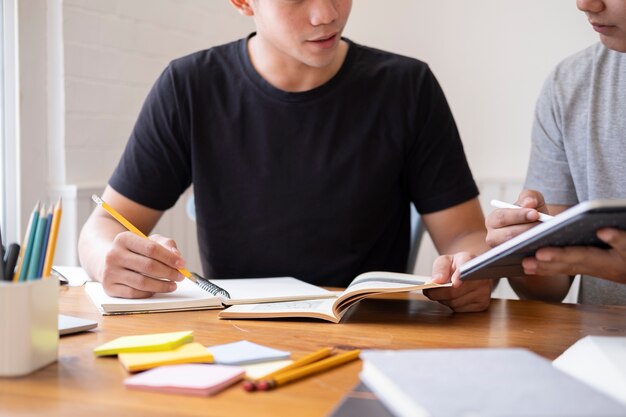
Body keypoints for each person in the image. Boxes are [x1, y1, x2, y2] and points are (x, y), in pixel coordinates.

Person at [78, 0, 491, 312]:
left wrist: (468, 268)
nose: (326, 14)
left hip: (370, 332)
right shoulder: (190, 87)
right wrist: (108, 260)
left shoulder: (408, 87)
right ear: (242, 2)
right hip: (236, 334)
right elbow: (102, 225)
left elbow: (463, 235)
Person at [482, 0, 626, 305]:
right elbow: (548, 291)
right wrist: (525, 248)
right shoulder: (570, 83)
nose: (584, 4)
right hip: (597, 347)